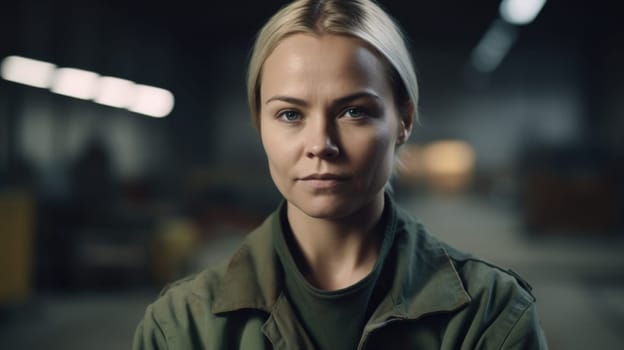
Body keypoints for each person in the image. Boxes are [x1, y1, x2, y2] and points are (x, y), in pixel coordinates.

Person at [133, 0, 548, 349]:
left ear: (404, 120)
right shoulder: (181, 327)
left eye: (354, 111)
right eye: (290, 114)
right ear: (260, 124)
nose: (321, 144)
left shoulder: (488, 316)